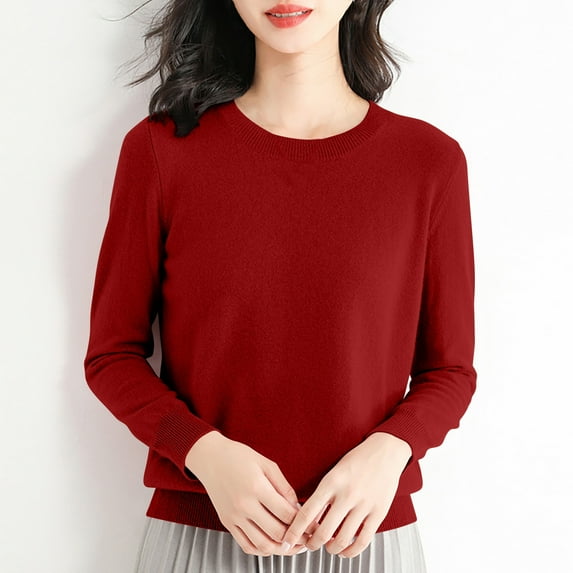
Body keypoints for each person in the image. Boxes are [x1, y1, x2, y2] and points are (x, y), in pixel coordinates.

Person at [83, 0, 477, 571]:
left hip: (366, 539)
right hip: (199, 535)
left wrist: (389, 452)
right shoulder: (161, 151)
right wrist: (205, 454)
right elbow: (111, 356)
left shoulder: (429, 162)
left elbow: (451, 371)